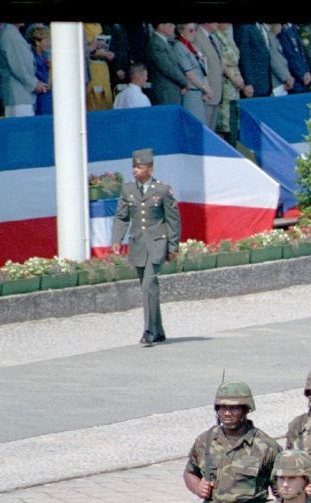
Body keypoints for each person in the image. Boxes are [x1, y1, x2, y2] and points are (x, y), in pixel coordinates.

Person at [110, 149, 180, 347]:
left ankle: (149, 331)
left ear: (150, 168)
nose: (135, 170)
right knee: (146, 286)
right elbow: (121, 217)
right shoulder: (128, 190)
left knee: (149, 284)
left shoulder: (162, 190)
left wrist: (173, 245)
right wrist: (117, 238)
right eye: (134, 166)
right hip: (138, 244)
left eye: (139, 167)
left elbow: (173, 220)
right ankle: (158, 331)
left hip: (158, 243)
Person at [0, 22, 40, 116]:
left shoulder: (13, 33)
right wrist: (34, 85)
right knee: (22, 129)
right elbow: (17, 67)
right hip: (17, 94)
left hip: (21, 94)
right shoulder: (10, 35)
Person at [172, 24, 213, 124]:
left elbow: (202, 68)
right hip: (192, 90)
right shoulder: (179, 47)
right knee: (195, 123)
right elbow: (189, 73)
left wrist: (206, 88)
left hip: (200, 90)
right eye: (191, 30)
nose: (194, 33)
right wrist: (205, 88)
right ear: (182, 31)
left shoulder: (193, 46)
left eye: (195, 30)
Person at [147, 23, 187, 106]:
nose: (174, 27)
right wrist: (185, 82)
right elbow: (168, 69)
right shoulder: (155, 44)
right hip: (165, 92)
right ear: (161, 26)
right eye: (170, 25)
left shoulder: (164, 42)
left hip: (173, 90)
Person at [29, 26, 52, 116]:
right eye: (46, 40)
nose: (49, 44)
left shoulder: (46, 56)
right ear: (37, 42)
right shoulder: (32, 58)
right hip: (38, 99)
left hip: (48, 98)